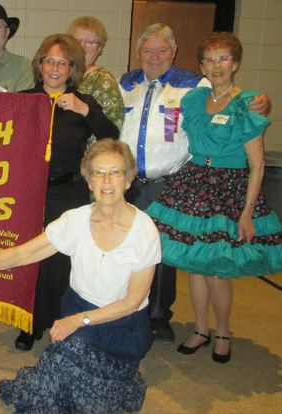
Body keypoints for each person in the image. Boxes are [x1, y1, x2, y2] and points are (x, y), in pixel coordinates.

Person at [0, 139, 160, 413]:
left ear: (128, 180)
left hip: (122, 326)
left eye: (116, 172)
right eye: (98, 172)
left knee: (84, 393)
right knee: (60, 370)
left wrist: (78, 320)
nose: (106, 180)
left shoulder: (144, 230)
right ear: (89, 181)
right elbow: (24, 254)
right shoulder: (75, 220)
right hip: (79, 309)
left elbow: (132, 302)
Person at [118, 23, 271, 342]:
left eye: (162, 50)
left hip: (182, 182)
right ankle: (134, 311)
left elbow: (237, 103)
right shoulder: (127, 83)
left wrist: (262, 101)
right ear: (138, 53)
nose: (154, 56)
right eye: (148, 50)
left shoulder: (193, 86)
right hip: (144, 183)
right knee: (144, 251)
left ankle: (164, 317)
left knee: (178, 256)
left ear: (174, 52)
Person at [14, 34, 119, 351]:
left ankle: (61, 323)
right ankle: (29, 322)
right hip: (28, 192)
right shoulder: (23, 100)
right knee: (29, 257)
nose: (55, 68)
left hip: (67, 192)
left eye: (63, 62)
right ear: (40, 64)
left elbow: (111, 135)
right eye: (49, 61)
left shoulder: (82, 102)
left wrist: (85, 110)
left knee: (61, 261)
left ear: (72, 68)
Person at [68, 16, 124, 130]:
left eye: (89, 42)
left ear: (100, 49)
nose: (82, 46)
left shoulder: (103, 80)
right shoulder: (59, 76)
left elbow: (113, 126)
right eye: (77, 40)